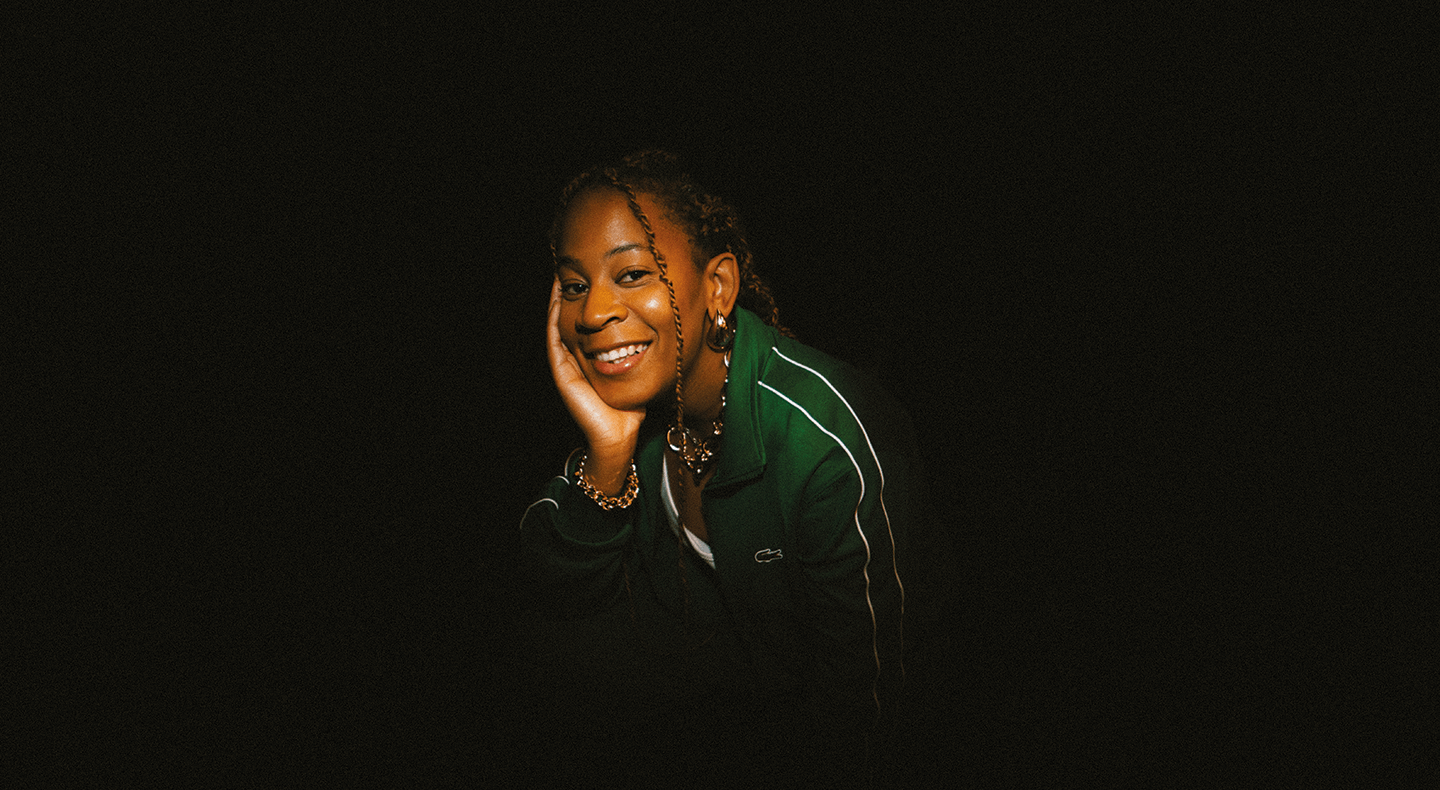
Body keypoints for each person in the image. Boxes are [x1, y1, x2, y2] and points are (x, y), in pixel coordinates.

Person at [518, 150, 922, 787]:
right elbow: (557, 612)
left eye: (632, 274)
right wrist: (608, 453)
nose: (593, 313)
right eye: (574, 286)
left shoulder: (822, 442)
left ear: (719, 288)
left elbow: (875, 710)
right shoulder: (641, 422)